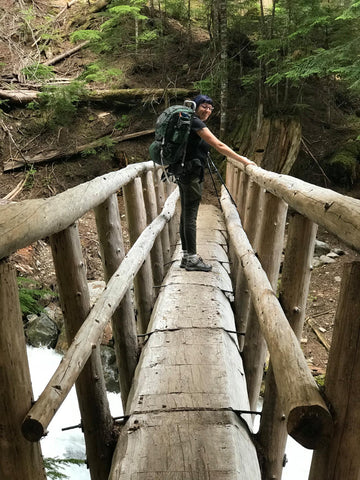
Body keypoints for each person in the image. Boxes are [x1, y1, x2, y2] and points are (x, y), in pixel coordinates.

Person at [168, 94, 255, 272]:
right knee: (190, 215)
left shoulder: (188, 121)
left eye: (210, 108)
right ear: (196, 106)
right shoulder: (195, 123)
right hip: (191, 174)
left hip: (184, 172)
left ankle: (186, 256)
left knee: (186, 214)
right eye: (204, 106)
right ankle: (191, 258)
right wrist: (244, 160)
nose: (207, 110)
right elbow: (219, 145)